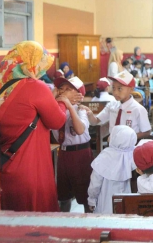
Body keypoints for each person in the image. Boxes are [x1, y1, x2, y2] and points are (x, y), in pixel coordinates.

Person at [0, 41, 69, 212]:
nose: (42, 70)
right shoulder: (35, 86)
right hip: (30, 166)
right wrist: (62, 102)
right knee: (36, 221)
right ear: (29, 63)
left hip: (6, 165)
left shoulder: (1, 88)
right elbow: (57, 121)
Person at [52, 76, 92, 213]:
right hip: (63, 154)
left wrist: (69, 105)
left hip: (80, 155)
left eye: (68, 90)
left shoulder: (81, 110)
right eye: (61, 89)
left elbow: (80, 129)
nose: (62, 93)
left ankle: (90, 225)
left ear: (78, 95)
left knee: (85, 195)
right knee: (63, 196)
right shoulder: (54, 109)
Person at [85, 70, 151, 139]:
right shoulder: (111, 105)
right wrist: (90, 114)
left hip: (130, 147)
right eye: (113, 88)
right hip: (113, 146)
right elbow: (94, 122)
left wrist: (127, 138)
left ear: (131, 89)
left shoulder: (138, 109)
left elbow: (146, 132)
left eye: (119, 88)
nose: (115, 93)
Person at [87, 125, 137, 214]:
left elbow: (95, 183)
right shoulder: (133, 155)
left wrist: (92, 199)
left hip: (106, 204)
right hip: (128, 203)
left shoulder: (105, 156)